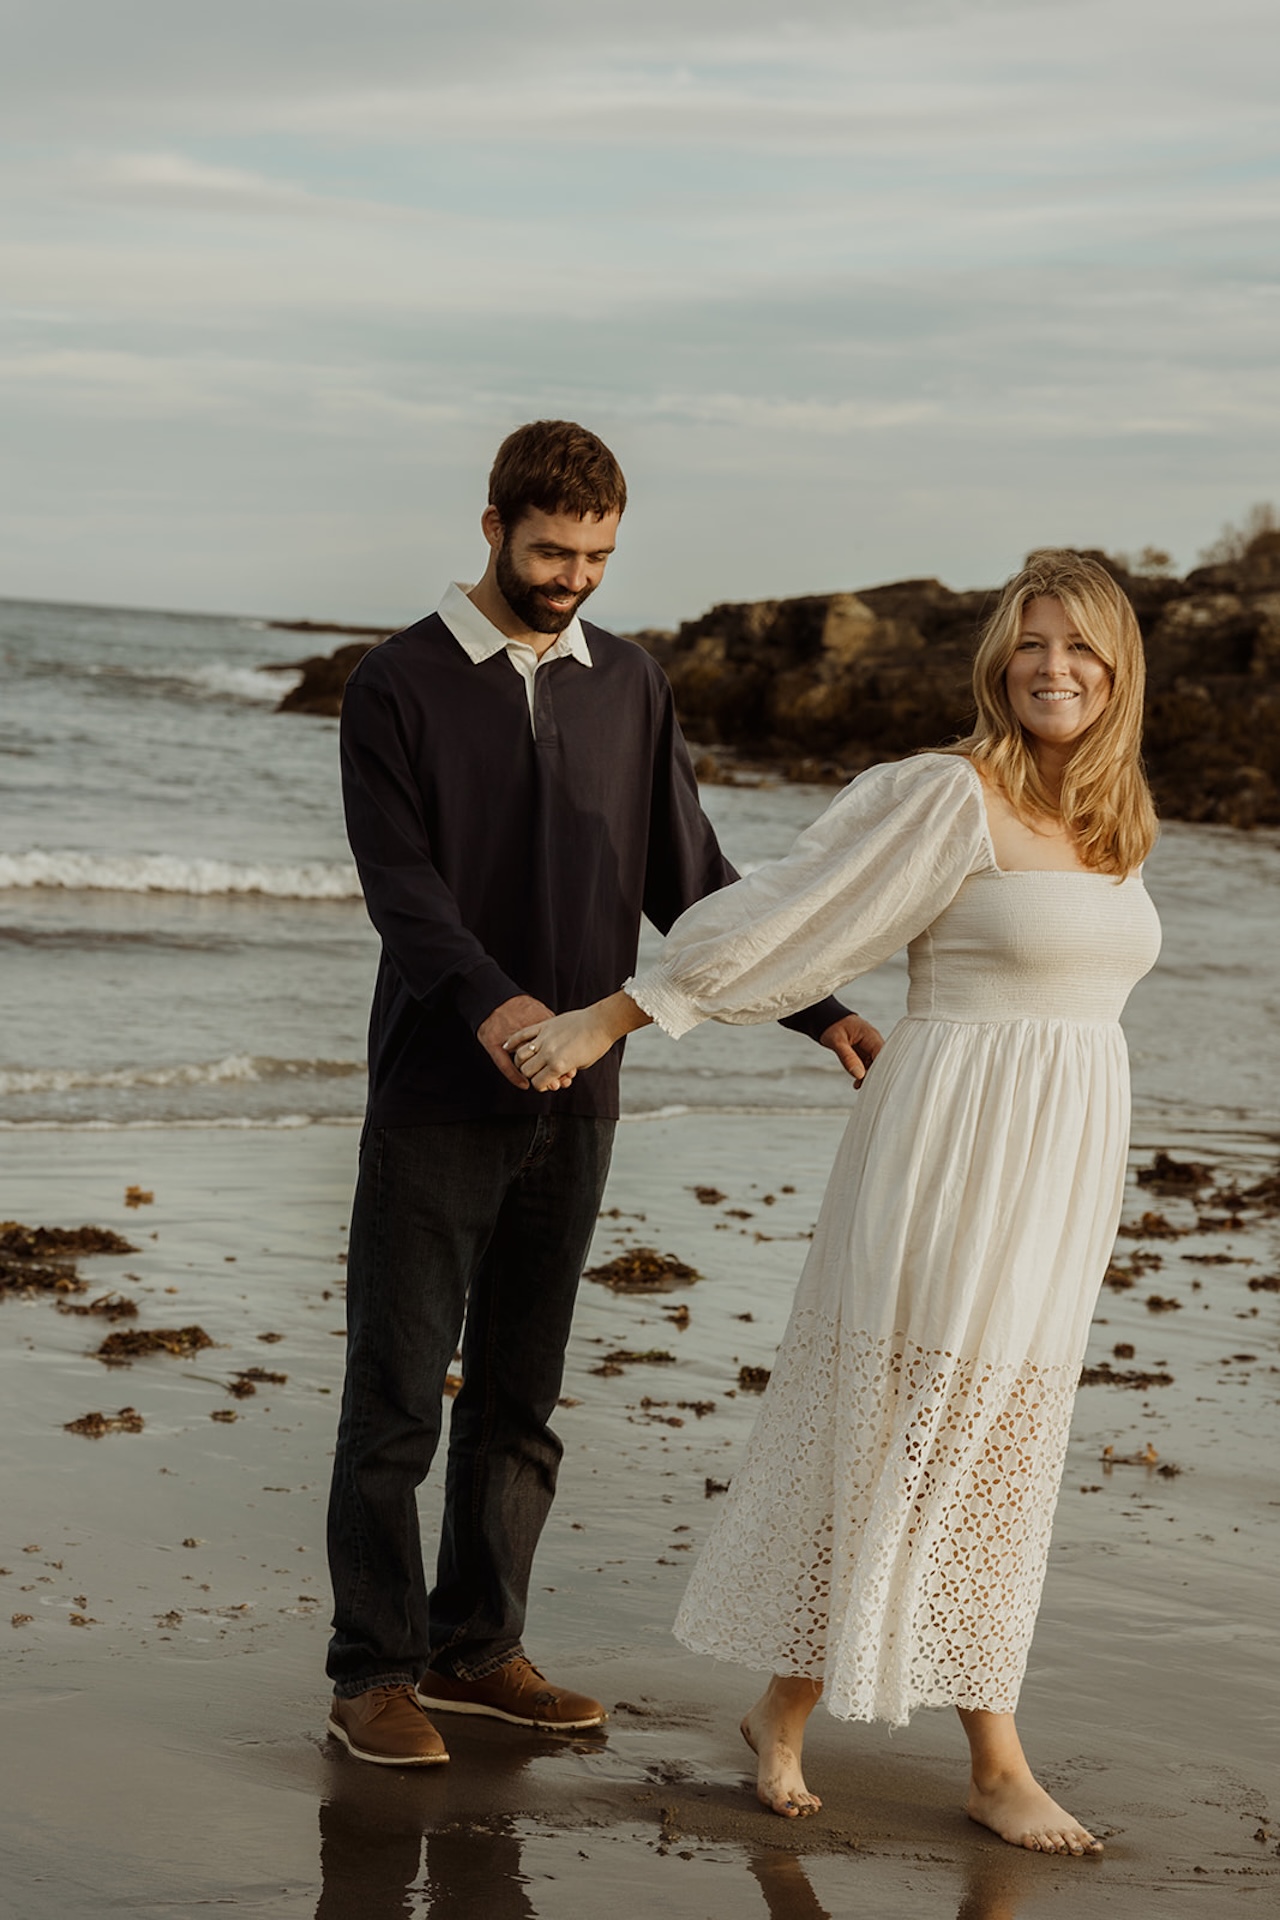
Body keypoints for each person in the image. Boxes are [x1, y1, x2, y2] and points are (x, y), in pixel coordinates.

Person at [508, 549, 1162, 1855]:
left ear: (1118, 668)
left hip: (1062, 1164)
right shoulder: (948, 795)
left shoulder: (1118, 816)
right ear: (998, 659)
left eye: (1081, 647)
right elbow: (783, 919)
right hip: (952, 1148)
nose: (1054, 667)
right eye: (1032, 644)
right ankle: (989, 1758)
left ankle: (788, 1707)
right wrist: (615, 1016)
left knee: (998, 1449)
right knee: (918, 1430)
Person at [324, 419, 881, 1767]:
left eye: (596, 556)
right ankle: (373, 1674)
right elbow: (404, 892)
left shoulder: (631, 684)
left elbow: (690, 881)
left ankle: (479, 1651)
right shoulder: (393, 685)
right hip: (436, 1094)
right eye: (551, 549)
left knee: (521, 1394)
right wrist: (495, 1003)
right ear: (493, 527)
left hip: (580, 1103)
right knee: (397, 1395)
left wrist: (821, 1008)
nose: (573, 575)